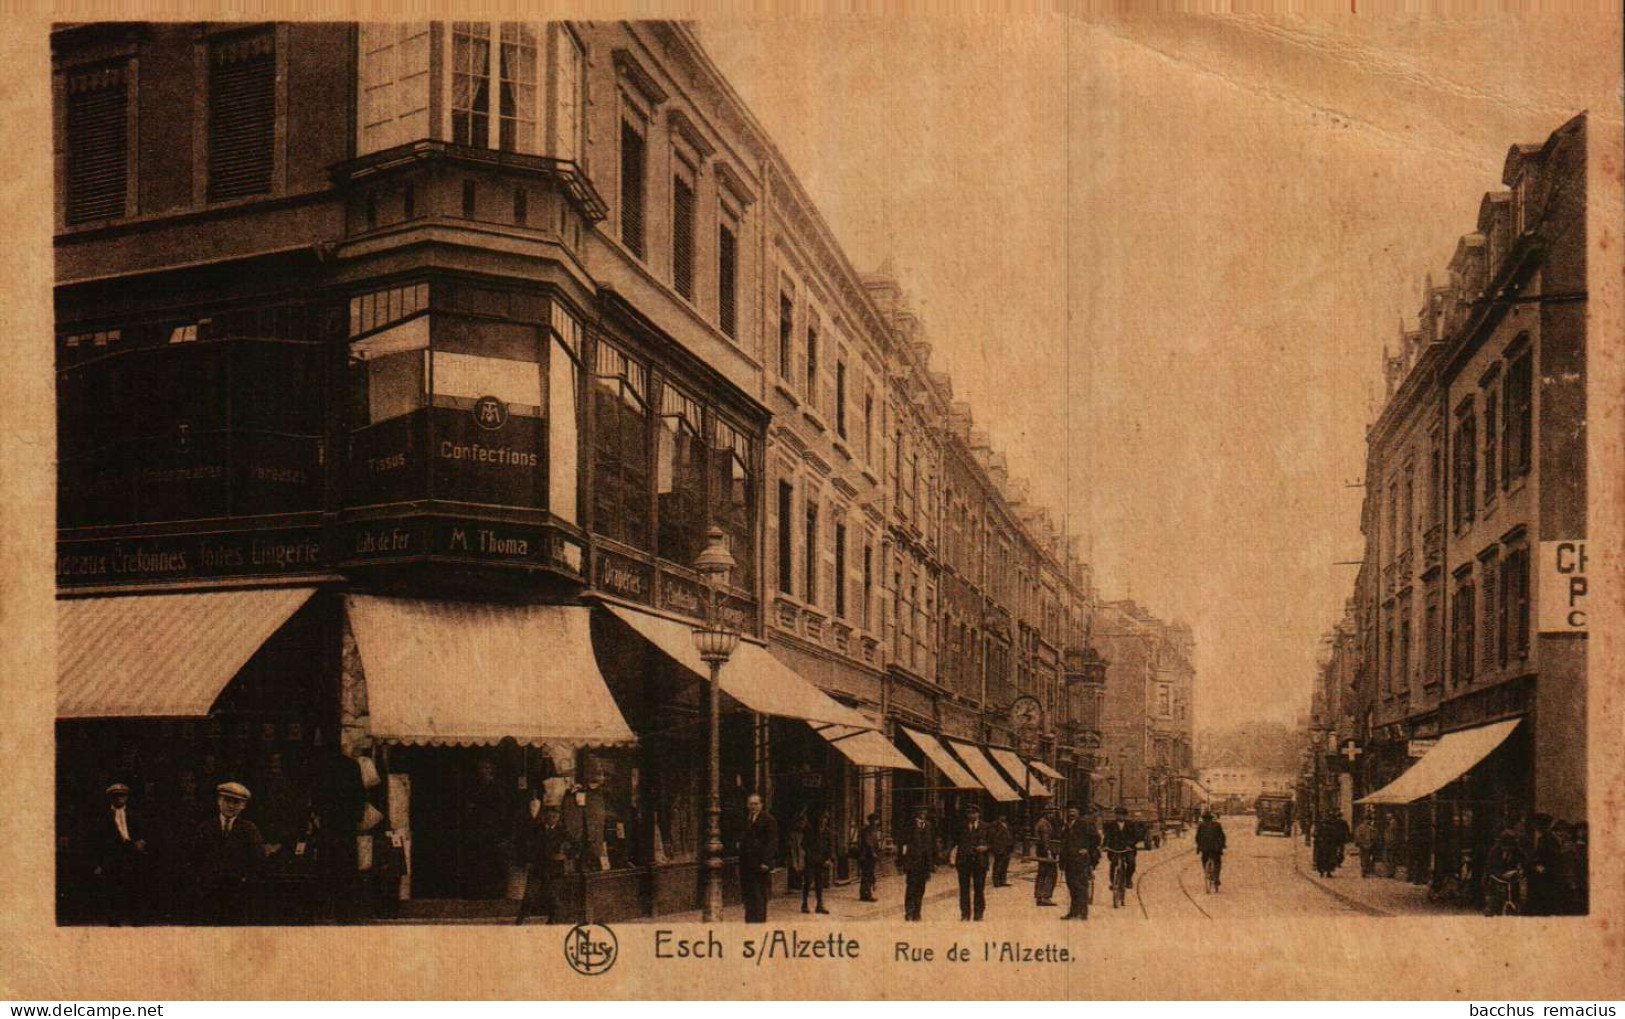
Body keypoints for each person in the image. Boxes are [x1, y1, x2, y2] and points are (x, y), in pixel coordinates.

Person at [191, 782, 263, 925]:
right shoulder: (205, 828)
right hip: (208, 894)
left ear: (243, 806)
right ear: (219, 801)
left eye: (236, 802)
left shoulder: (249, 829)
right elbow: (195, 858)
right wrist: (201, 884)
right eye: (226, 800)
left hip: (237, 895)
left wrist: (245, 882)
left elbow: (257, 861)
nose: (230, 806)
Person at [93, 782, 150, 924]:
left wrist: (141, 842)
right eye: (116, 796)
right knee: (113, 891)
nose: (119, 799)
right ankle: (114, 922)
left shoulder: (134, 816)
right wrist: (99, 864)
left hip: (132, 857)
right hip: (113, 857)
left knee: (134, 889)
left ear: (127, 798)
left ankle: (137, 921)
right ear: (110, 799)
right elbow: (98, 842)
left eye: (122, 796)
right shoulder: (103, 817)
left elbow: (143, 834)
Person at [462, 757, 513, 899]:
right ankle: (480, 892)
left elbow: (501, 810)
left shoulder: (497, 787)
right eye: (480, 768)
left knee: (493, 862)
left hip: (493, 831)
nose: (482, 771)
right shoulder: (476, 787)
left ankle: (494, 893)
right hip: (479, 831)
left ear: (491, 771)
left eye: (485, 768)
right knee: (479, 861)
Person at [516, 801, 574, 925]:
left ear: (559, 818)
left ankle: (552, 923)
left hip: (554, 870)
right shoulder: (536, 830)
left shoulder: (563, 832)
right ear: (544, 816)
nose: (552, 819)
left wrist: (565, 855)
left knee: (553, 898)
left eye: (555, 816)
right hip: (537, 868)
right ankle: (521, 920)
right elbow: (525, 847)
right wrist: (527, 861)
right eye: (549, 816)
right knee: (529, 896)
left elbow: (577, 847)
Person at [735, 793, 777, 923]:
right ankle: (750, 921)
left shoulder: (768, 820)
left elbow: (772, 843)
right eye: (751, 804)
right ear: (747, 805)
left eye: (756, 804)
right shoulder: (746, 819)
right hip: (747, 864)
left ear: (761, 805)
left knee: (759, 894)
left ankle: (759, 921)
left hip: (760, 864)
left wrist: (766, 862)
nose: (753, 807)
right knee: (748, 894)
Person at [952, 805, 992, 921]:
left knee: (979, 889)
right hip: (964, 862)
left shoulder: (986, 827)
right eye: (969, 813)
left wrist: (986, 847)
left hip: (980, 862)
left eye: (974, 813)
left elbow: (993, 842)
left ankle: (978, 914)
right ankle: (965, 914)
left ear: (978, 814)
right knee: (964, 889)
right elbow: (954, 842)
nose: (971, 815)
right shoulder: (961, 827)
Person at [1059, 805, 1099, 920]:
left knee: (1081, 886)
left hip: (1081, 859)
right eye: (1069, 811)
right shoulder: (1066, 825)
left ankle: (1083, 912)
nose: (1071, 813)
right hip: (1068, 860)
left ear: (1078, 812)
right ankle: (1073, 911)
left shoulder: (1085, 824)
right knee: (1071, 886)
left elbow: (1096, 839)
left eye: (1073, 810)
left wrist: (1087, 849)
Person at [898, 806, 935, 921]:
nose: (923, 814)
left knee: (921, 889)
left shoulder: (929, 826)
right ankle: (909, 912)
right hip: (912, 863)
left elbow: (931, 845)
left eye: (925, 812)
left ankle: (917, 913)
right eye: (921, 812)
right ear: (916, 813)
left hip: (924, 864)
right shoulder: (909, 826)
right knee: (911, 888)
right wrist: (902, 862)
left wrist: (932, 863)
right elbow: (903, 844)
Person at [1484, 823, 1527, 915]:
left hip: (1512, 881)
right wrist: (1501, 875)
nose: (1508, 850)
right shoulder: (1494, 852)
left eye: (1510, 847)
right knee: (1494, 904)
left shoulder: (1517, 851)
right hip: (1495, 880)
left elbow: (1524, 863)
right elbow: (1490, 868)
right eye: (1506, 847)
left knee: (1514, 902)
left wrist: (1518, 871)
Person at [1526, 813, 1563, 915]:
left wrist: (1539, 866)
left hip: (1547, 873)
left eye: (1538, 825)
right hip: (1545, 872)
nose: (1536, 828)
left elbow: (1551, 858)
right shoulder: (1545, 838)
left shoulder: (1548, 839)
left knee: (1545, 899)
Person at [802, 811, 834, 914]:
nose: (823, 820)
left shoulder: (827, 832)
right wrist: (811, 855)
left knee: (819, 884)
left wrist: (828, 859)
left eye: (825, 818)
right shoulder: (810, 830)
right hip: (811, 861)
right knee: (808, 882)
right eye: (822, 818)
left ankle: (819, 906)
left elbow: (830, 847)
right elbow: (804, 844)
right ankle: (804, 904)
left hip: (822, 862)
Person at [1102, 807, 1138, 889]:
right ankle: (1113, 882)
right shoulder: (1111, 825)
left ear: (1125, 816)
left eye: (1122, 815)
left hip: (1128, 848)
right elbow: (1107, 836)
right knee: (1113, 863)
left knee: (1131, 862)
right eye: (1118, 815)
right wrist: (1105, 846)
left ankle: (1128, 879)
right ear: (1115, 815)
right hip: (1115, 848)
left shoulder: (1131, 824)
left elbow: (1135, 837)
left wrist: (1130, 845)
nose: (1120, 817)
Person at [1032, 807, 1059, 907]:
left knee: (1042, 873)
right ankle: (1046, 897)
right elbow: (1045, 840)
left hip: (1040, 851)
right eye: (1051, 813)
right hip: (1045, 852)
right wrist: (1049, 852)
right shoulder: (1045, 825)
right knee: (1051, 874)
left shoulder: (1041, 822)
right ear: (1047, 814)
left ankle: (1039, 896)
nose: (1053, 815)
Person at [1195, 811, 1226, 889]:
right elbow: (1222, 836)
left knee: (1204, 860)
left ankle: (1207, 872)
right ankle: (1216, 878)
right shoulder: (1217, 825)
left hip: (1205, 848)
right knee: (1217, 862)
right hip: (1216, 848)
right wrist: (1223, 845)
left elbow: (1197, 837)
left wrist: (1199, 847)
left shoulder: (1201, 826)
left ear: (1203, 819)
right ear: (1211, 818)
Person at [857, 812, 883, 903]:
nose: (876, 822)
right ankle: (866, 894)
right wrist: (873, 853)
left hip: (870, 856)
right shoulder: (868, 830)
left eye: (876, 820)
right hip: (867, 856)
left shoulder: (873, 830)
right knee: (867, 875)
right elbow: (868, 843)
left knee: (869, 874)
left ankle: (866, 893)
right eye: (875, 820)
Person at [1312, 813, 1347, 878]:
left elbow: (1315, 835)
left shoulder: (1322, 827)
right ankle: (1327, 872)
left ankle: (1323, 872)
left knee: (1324, 859)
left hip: (1324, 846)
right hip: (1327, 846)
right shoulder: (1330, 827)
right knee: (1328, 859)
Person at [988, 813, 1015, 888]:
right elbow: (992, 837)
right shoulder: (994, 824)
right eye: (1002, 815)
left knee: (1005, 865)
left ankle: (1003, 880)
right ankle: (996, 882)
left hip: (1007, 847)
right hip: (999, 848)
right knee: (998, 865)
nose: (1004, 817)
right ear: (998, 816)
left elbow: (1010, 834)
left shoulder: (1007, 824)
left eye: (1004, 815)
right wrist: (996, 847)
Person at [1353, 812, 1379, 878]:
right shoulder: (1360, 828)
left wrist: (1373, 842)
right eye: (1366, 819)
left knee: (1369, 858)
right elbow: (1357, 836)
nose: (1368, 821)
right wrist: (1361, 843)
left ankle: (1367, 871)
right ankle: (1364, 871)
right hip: (1363, 845)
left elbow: (1374, 836)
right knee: (1363, 859)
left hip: (1370, 845)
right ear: (1363, 820)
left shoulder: (1372, 828)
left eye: (1369, 819)